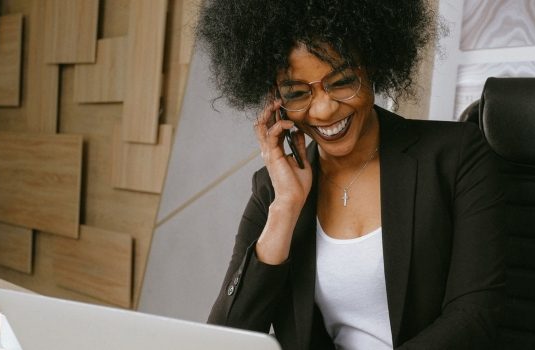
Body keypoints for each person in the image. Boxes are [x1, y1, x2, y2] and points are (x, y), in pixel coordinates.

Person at [198, 1, 505, 349]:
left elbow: (475, 317)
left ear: (372, 66)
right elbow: (224, 338)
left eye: (342, 81)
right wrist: (285, 207)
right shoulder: (273, 188)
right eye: (298, 92)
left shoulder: (456, 155)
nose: (324, 109)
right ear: (276, 98)